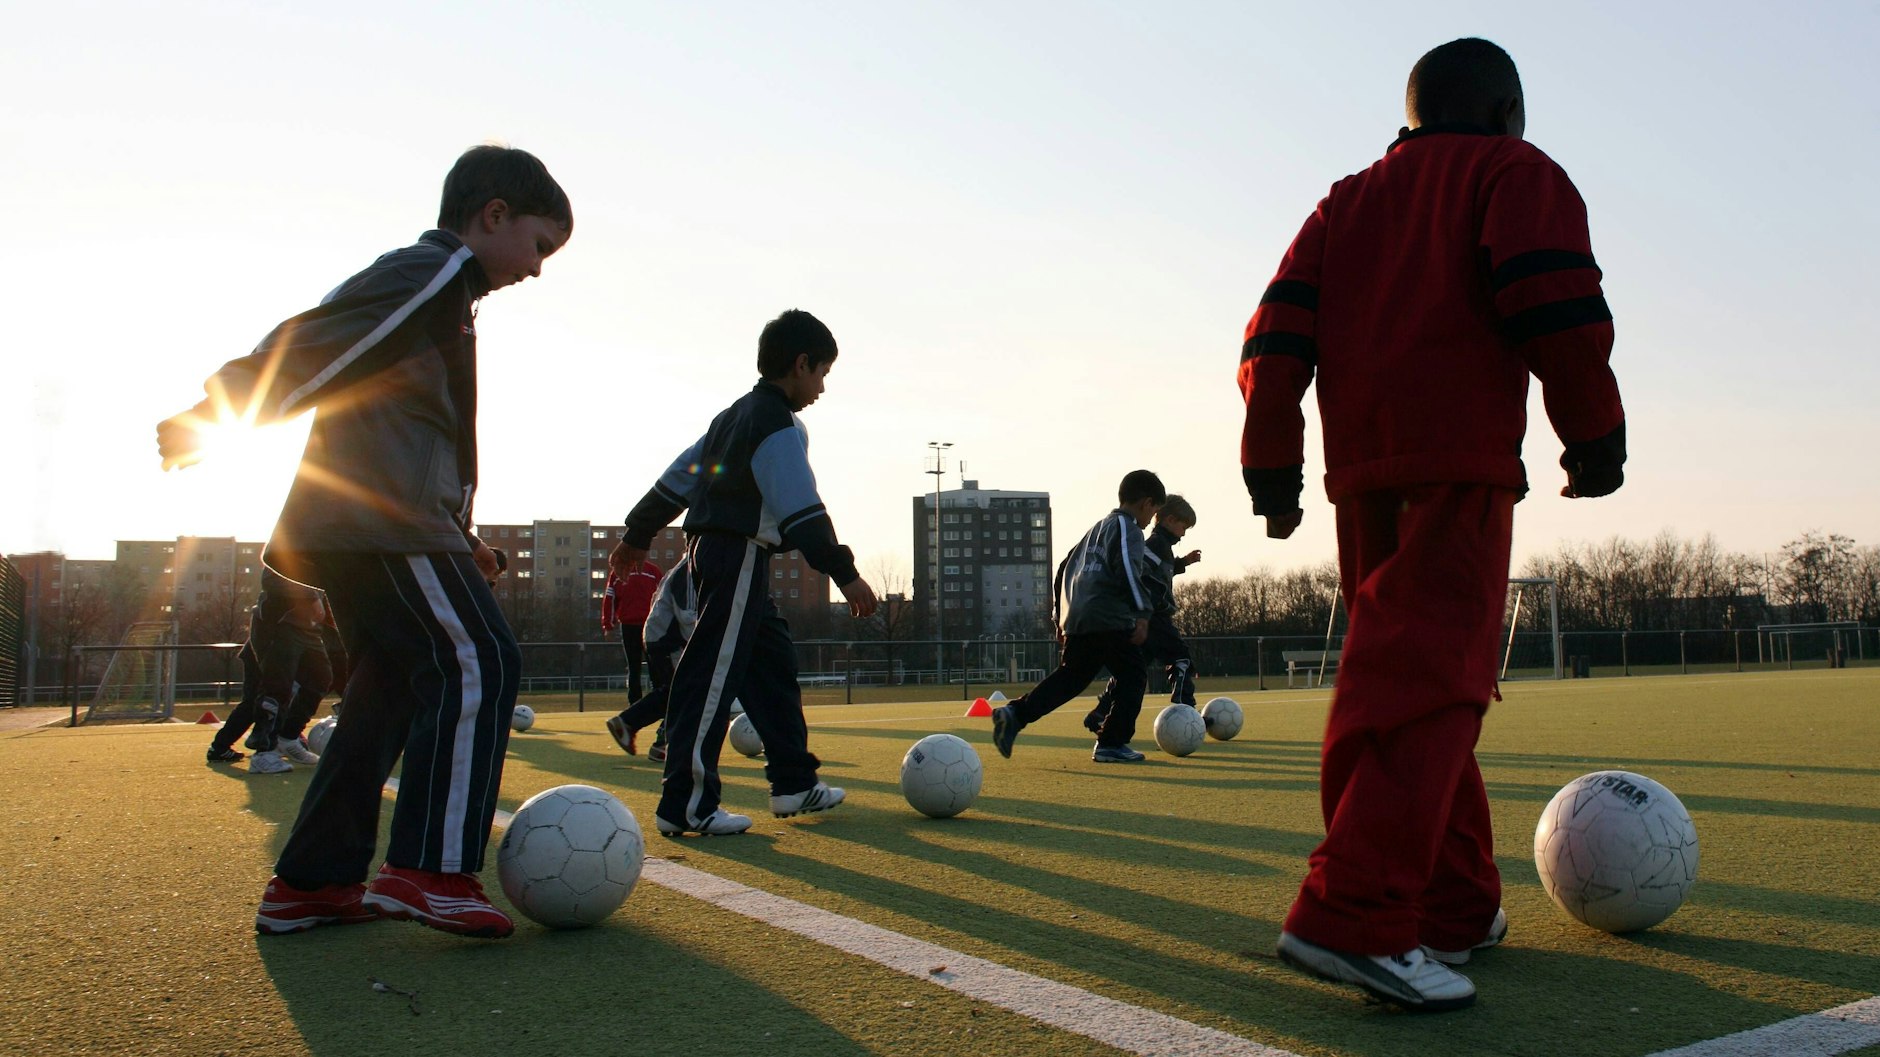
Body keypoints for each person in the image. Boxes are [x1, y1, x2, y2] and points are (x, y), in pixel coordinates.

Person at [1240, 38, 1625, 1011]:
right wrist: (1593, 438)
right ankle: (1353, 915)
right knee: (1434, 677)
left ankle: (1452, 904)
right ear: (1506, 111)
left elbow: (1272, 338)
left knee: (1407, 672)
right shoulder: (1513, 170)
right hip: (1457, 462)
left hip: (1359, 475)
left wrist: (1272, 471)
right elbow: (1554, 302)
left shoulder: (1342, 201)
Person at [157, 145, 572, 938]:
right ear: (493, 217)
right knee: (480, 659)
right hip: (381, 525)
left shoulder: (449, 298)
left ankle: (313, 881)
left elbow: (411, 426)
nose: (539, 268)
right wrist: (219, 411)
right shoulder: (433, 271)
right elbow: (326, 338)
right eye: (540, 245)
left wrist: (461, 535)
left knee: (385, 694)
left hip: (379, 525)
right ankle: (430, 866)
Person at [610, 309, 878, 837]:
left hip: (726, 557)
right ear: (801, 365)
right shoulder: (773, 422)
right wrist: (845, 573)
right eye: (822, 373)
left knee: (773, 666)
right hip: (735, 555)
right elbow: (802, 510)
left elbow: (681, 476)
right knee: (709, 678)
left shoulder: (731, 417)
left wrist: (638, 531)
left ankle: (793, 782)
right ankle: (686, 804)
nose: (823, 387)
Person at [990, 470, 1166, 763]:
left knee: (1072, 677)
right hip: (1107, 616)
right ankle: (1112, 742)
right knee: (1133, 675)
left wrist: (1060, 616)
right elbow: (1127, 568)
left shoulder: (1095, 529)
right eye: (1155, 512)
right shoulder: (1128, 529)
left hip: (1080, 617)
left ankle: (1015, 714)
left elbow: (1063, 567)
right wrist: (1142, 612)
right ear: (1147, 503)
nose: (1150, 522)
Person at [1083, 494, 1202, 735]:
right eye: (1183, 526)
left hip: (1147, 616)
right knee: (1181, 657)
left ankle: (1099, 713)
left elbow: (1162, 568)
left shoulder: (1163, 547)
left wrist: (1183, 563)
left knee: (1133, 669)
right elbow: (1142, 568)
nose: (1184, 533)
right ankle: (1185, 707)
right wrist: (1151, 601)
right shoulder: (1156, 543)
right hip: (1154, 616)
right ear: (1169, 520)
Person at [205, 568, 335, 774]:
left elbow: (323, 597)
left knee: (321, 678)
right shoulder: (296, 538)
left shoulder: (326, 550)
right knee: (274, 690)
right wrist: (311, 597)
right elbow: (273, 576)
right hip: (279, 625)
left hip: (307, 631)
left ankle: (288, 737)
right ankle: (263, 753)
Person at [605, 553, 697, 762]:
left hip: (661, 635)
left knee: (675, 690)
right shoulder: (692, 568)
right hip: (668, 639)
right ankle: (631, 725)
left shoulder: (686, 566)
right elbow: (689, 616)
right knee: (681, 690)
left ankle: (661, 743)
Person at [601, 556, 663, 702]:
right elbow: (610, 599)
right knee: (648, 667)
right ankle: (654, 704)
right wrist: (608, 625)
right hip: (647, 625)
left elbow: (610, 599)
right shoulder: (651, 572)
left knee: (639, 668)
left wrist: (608, 626)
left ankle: (642, 704)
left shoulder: (621, 572)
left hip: (641, 625)